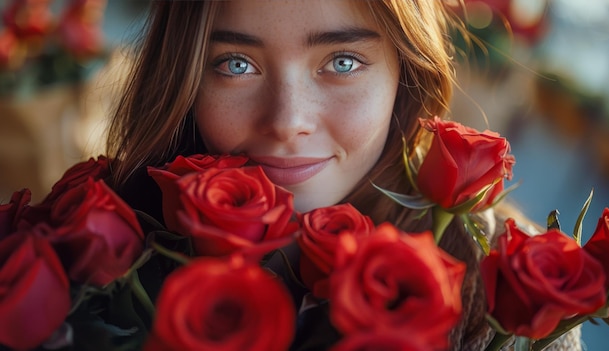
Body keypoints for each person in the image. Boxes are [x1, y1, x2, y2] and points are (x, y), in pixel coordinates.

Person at [105, 1, 581, 350]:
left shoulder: (516, 298)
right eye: (236, 64)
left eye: (342, 62)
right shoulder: (103, 260)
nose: (288, 121)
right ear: (182, 76)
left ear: (406, 73)